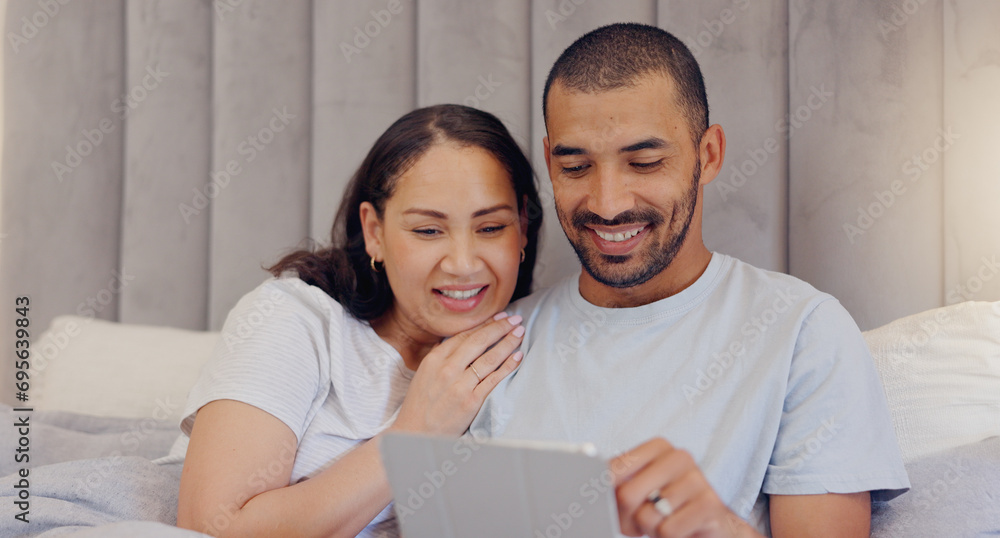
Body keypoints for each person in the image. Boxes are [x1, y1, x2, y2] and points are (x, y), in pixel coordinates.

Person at [470, 23, 909, 538]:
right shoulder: (495, 344)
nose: (608, 203)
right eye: (576, 166)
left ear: (708, 156)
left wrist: (719, 528)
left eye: (645, 162)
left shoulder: (803, 332)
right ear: (549, 163)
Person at [175, 104, 543, 537]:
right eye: (428, 230)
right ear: (374, 232)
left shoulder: (537, 345)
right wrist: (414, 434)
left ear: (521, 226)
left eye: (491, 227)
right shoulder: (294, 319)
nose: (463, 264)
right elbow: (211, 528)